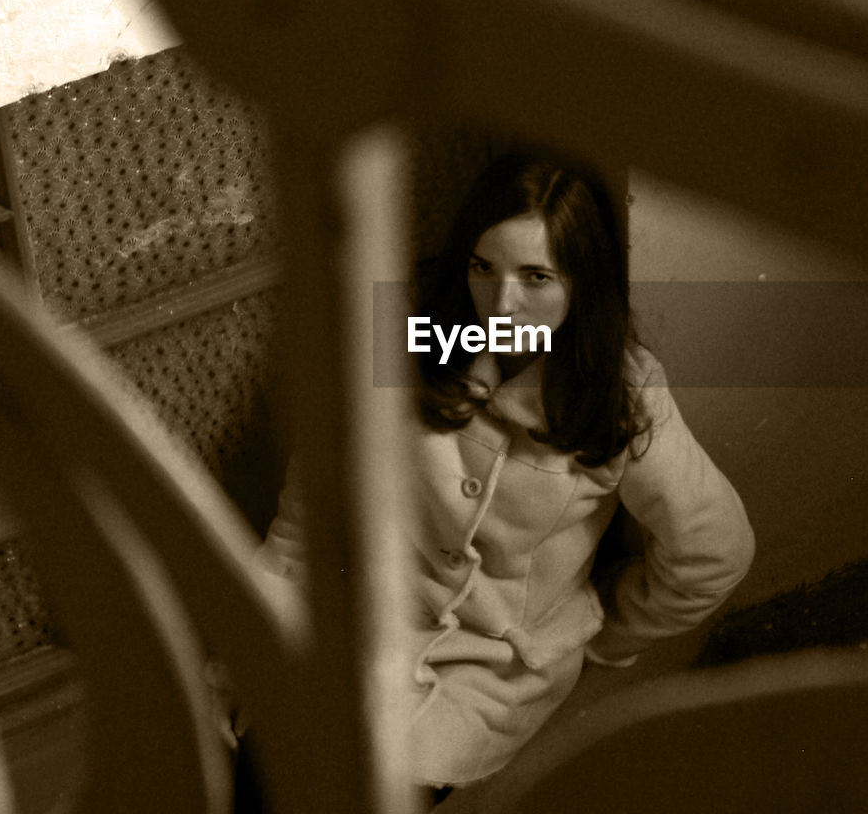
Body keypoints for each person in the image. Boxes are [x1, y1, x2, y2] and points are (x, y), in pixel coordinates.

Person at [254, 146, 754, 793]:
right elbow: (316, 484)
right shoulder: (411, 337)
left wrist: (604, 628)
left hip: (494, 671)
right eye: (483, 268)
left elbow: (714, 550)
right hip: (364, 620)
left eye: (536, 277)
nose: (501, 302)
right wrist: (270, 598)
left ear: (583, 282)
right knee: (255, 768)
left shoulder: (622, 396)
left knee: (363, 785)